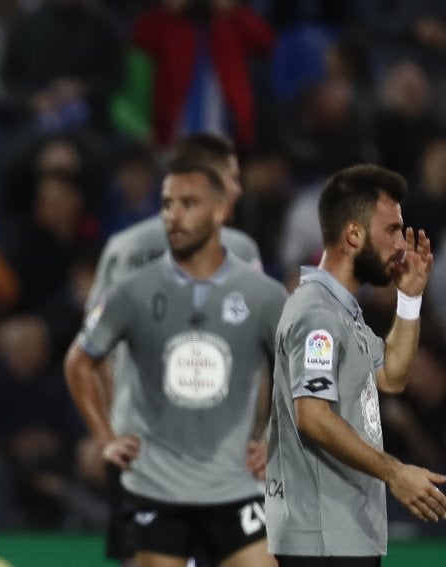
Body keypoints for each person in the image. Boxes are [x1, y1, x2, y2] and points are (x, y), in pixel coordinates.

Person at [65, 159, 287, 567]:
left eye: (189, 203)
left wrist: (275, 436)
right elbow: (79, 360)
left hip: (233, 485)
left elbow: (298, 371)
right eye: (167, 204)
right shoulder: (132, 292)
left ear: (221, 210)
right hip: (157, 487)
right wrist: (105, 437)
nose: (174, 216)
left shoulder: (263, 295)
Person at [265, 164, 446, 566]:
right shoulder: (317, 316)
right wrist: (396, 472)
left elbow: (393, 377)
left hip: (344, 531)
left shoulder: (344, 313)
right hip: (322, 538)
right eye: (392, 230)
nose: (401, 245)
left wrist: (410, 299)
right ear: (353, 235)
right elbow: (312, 414)